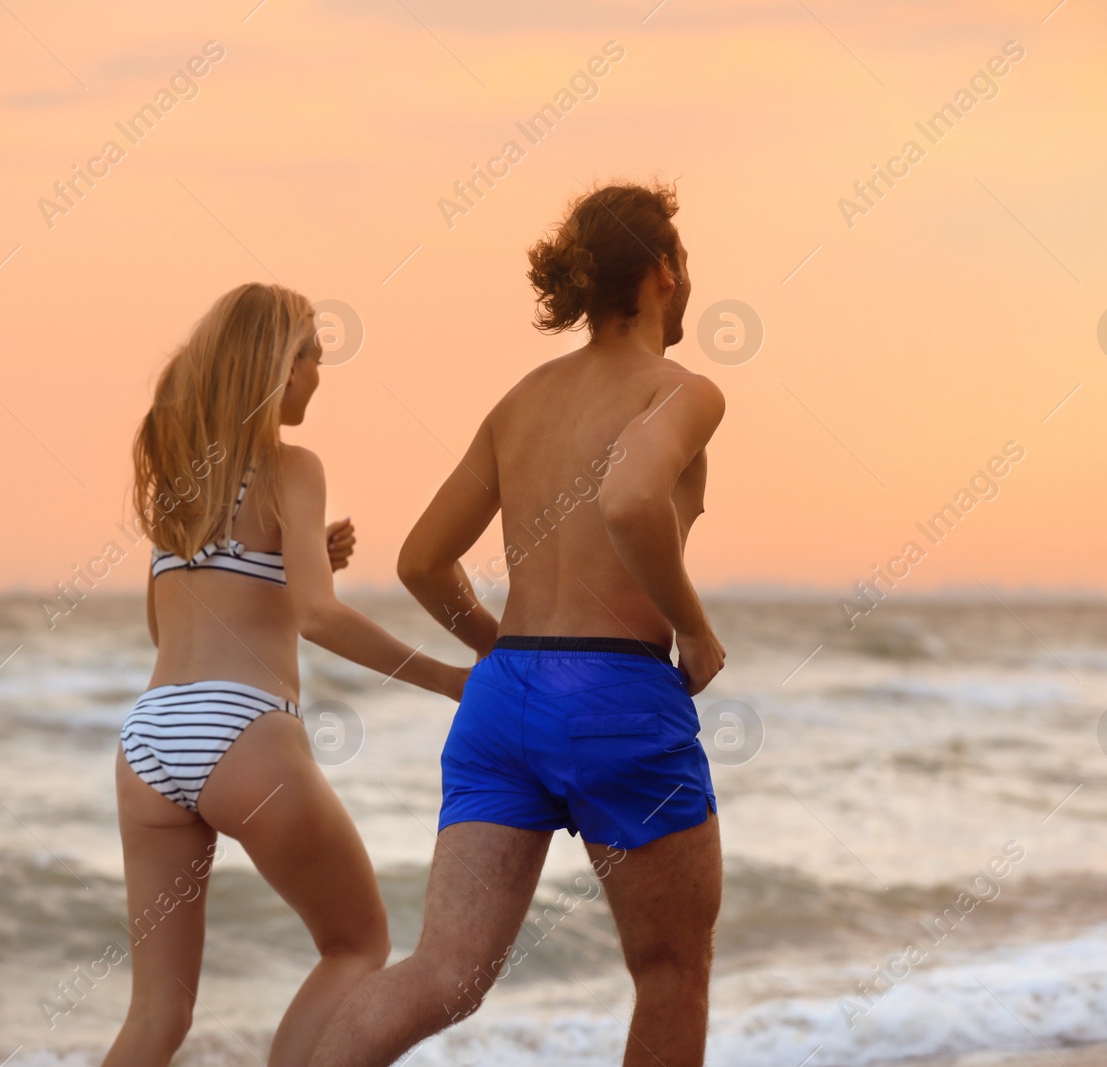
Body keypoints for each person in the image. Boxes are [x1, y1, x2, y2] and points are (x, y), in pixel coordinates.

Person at [309, 181, 726, 1067]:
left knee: (444, 973)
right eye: (683, 261)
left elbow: (422, 561)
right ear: (662, 270)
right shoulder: (683, 391)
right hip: (620, 691)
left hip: (505, 702)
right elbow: (631, 498)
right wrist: (694, 628)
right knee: (669, 969)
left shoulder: (521, 399)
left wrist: (501, 649)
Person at [106, 283, 469, 1067]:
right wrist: (446, 676)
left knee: (157, 1013)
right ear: (278, 364)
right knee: (357, 943)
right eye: (313, 356)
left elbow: (164, 623)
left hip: (151, 736)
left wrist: (284, 564)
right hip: (245, 731)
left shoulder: (179, 477)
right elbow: (319, 617)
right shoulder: (294, 467)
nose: (318, 375)